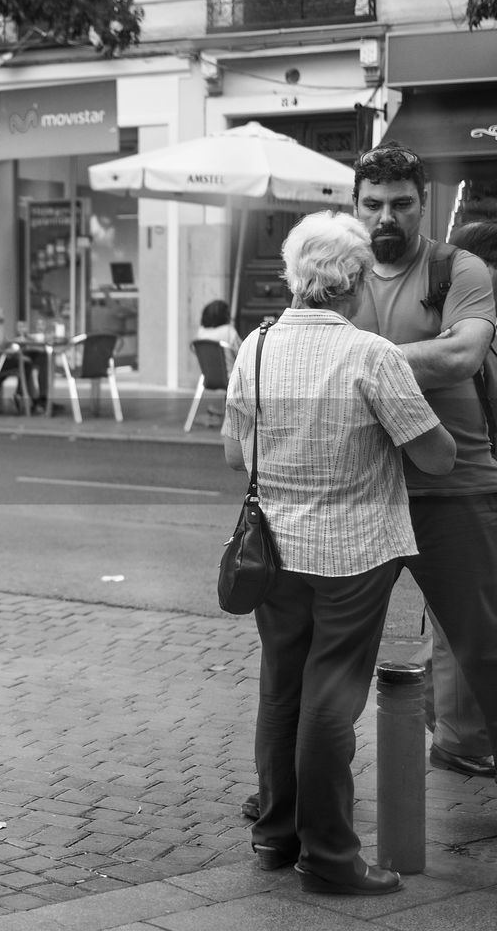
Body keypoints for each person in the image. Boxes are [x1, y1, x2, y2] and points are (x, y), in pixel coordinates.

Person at [223, 210, 455, 895]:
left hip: (272, 552)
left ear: (294, 275)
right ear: (354, 283)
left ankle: (275, 834)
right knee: (331, 699)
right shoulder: (371, 355)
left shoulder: (255, 347)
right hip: (355, 552)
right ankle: (329, 857)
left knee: (281, 689)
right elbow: (437, 459)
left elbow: (234, 452)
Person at [348, 143, 497, 772]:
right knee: (332, 653)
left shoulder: (459, 270)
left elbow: (462, 356)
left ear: (424, 204)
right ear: (353, 205)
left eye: (401, 204)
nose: (387, 217)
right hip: (360, 493)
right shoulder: (336, 274)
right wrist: (415, 359)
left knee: (485, 647)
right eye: (373, 204)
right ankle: (293, 793)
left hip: (455, 489)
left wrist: (357, 364)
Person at [411, 218, 497, 778]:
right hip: (457, 484)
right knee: (465, 625)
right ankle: (456, 733)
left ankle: (451, 724)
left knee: (464, 622)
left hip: (469, 485)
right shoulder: (457, 330)